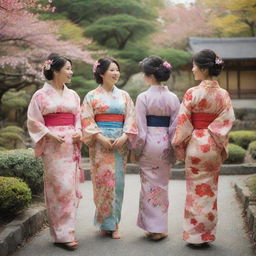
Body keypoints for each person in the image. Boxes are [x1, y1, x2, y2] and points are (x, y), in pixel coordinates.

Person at [172, 49, 235, 247]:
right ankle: (207, 234)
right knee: (210, 191)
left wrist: (179, 144)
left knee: (194, 191)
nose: (192, 69)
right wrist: (214, 135)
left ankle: (194, 236)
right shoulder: (223, 94)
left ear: (205, 69)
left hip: (195, 145)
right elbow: (228, 120)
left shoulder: (192, 93)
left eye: (195, 66)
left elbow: (182, 122)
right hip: (213, 145)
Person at [27, 53, 83, 250]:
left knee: (69, 188)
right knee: (58, 188)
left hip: (69, 146)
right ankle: (61, 234)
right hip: (52, 147)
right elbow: (33, 121)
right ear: (56, 71)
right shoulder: (40, 95)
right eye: (67, 69)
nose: (70, 72)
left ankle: (67, 232)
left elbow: (78, 118)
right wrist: (48, 134)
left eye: (70, 68)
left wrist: (78, 132)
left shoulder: (73, 95)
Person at [81, 57, 137, 239]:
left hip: (119, 145)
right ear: (101, 73)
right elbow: (86, 119)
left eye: (117, 70)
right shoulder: (91, 96)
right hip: (99, 145)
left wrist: (125, 135)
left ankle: (115, 224)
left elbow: (131, 118)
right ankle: (105, 222)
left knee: (118, 184)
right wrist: (98, 136)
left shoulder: (124, 96)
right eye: (112, 70)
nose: (116, 73)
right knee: (102, 183)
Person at [130, 56, 180, 240]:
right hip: (166, 143)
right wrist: (174, 148)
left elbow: (140, 129)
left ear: (149, 76)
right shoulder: (173, 97)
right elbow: (176, 126)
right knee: (162, 186)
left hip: (149, 144)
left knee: (148, 186)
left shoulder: (143, 97)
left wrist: (135, 149)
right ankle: (160, 227)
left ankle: (153, 227)